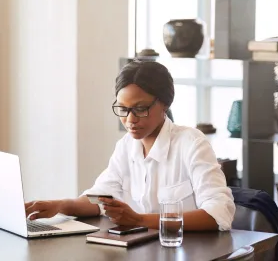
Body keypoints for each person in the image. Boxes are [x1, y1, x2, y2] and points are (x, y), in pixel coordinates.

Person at [25, 60, 235, 231]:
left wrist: (139, 220)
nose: (130, 120)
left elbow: (218, 214)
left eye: (140, 109)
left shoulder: (192, 144)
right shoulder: (126, 146)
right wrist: (60, 205)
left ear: (165, 104)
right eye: (123, 109)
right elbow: (101, 198)